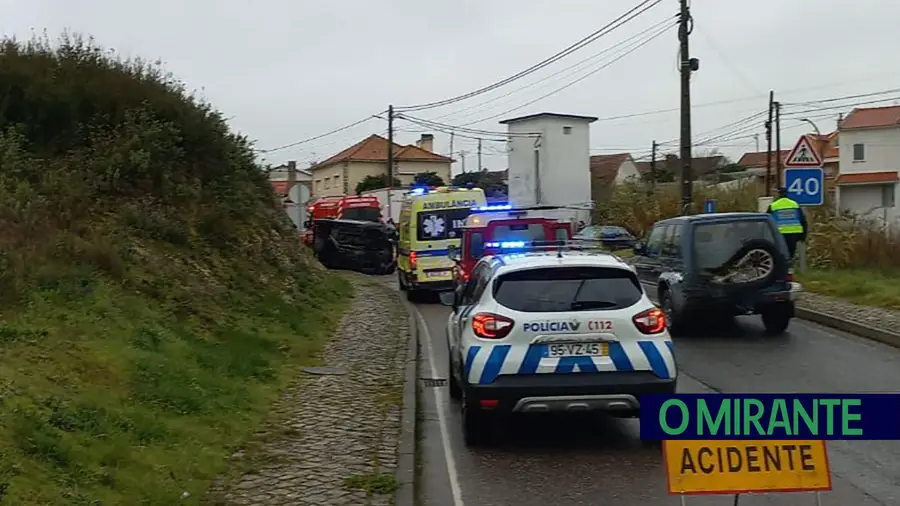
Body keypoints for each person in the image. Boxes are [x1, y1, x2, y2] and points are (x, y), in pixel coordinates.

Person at [766, 187, 808, 260]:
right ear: (787, 194)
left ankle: (783, 268)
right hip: (794, 233)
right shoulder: (794, 204)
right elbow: (803, 221)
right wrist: (803, 236)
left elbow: (767, 221)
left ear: (779, 194)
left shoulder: (773, 205)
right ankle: (790, 268)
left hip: (779, 234)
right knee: (791, 254)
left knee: (780, 254)